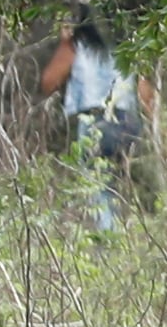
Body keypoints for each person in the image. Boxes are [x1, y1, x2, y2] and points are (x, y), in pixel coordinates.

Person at [40, 13, 152, 230]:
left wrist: (65, 42)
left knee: (99, 190)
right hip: (127, 121)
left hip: (95, 121)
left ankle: (109, 241)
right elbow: (146, 94)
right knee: (123, 187)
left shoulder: (77, 42)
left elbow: (50, 81)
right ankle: (128, 235)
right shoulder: (128, 45)